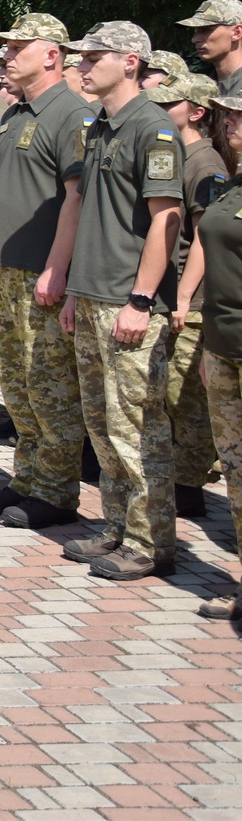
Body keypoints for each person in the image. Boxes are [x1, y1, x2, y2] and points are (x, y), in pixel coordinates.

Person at [60, 21, 183, 580]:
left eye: (95, 56)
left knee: (136, 426)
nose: (83, 66)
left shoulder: (152, 128)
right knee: (103, 422)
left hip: (127, 300)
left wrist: (140, 297)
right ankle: (115, 527)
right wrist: (73, 289)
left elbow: (167, 219)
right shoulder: (102, 126)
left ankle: (149, 541)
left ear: (130, 61)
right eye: (81, 58)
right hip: (92, 294)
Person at [0, 13, 90, 530]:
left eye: (19, 47)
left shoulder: (71, 114)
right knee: (19, 384)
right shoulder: (17, 112)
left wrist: (58, 267)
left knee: (50, 386)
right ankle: (28, 477)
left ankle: (58, 491)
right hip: (9, 270)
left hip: (43, 272)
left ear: (52, 55)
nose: (8, 56)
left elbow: (76, 197)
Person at [171, 93, 242, 618]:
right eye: (230, 113)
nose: (232, 122)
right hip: (223, 345)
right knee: (237, 473)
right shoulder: (234, 183)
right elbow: (202, 241)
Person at [151, 72, 225, 522]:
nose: (160, 109)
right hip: (177, 295)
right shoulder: (178, 154)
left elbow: (205, 239)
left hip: (193, 301)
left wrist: (183, 297)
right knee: (170, 393)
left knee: (185, 398)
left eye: (170, 103)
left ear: (196, 111)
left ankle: (189, 484)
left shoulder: (204, 161)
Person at [181, 0, 242, 99]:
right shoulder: (201, 85)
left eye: (206, 30)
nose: (195, 39)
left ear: (236, 32)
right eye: (196, 31)